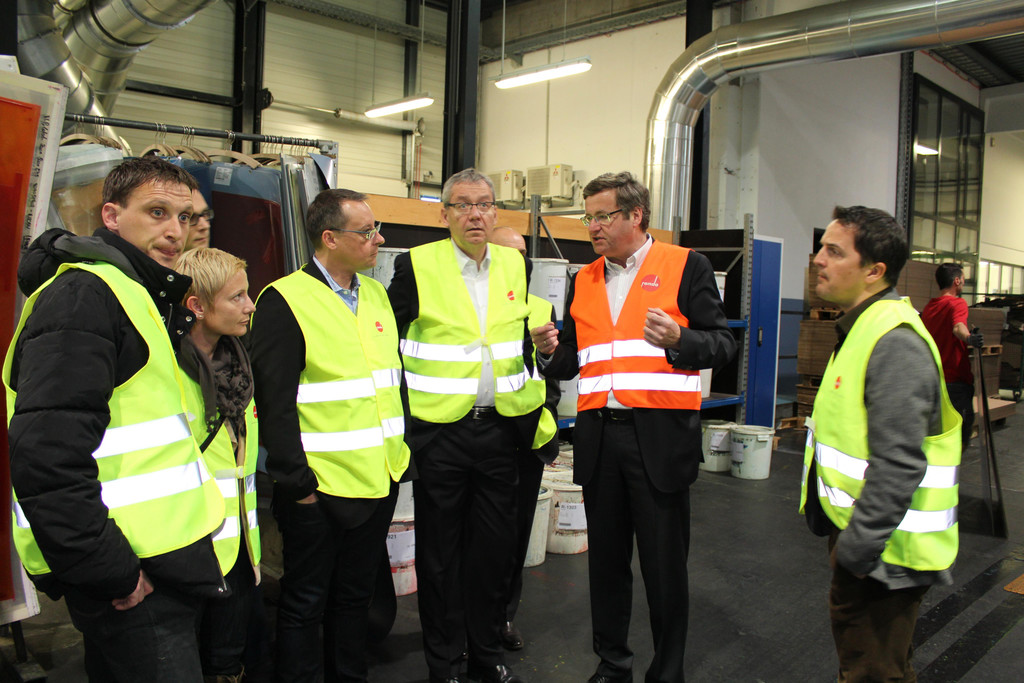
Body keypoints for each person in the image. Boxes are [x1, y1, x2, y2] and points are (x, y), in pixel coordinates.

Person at [3, 157, 226, 681]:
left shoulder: (135, 293)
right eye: (156, 212)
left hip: (155, 564)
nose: (175, 231)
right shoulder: (86, 296)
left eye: (185, 216)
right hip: (131, 577)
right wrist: (109, 571)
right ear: (111, 215)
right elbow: (45, 452)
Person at [530, 171, 735, 683]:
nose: (593, 227)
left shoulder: (686, 265)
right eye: (588, 217)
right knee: (606, 566)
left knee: (664, 568)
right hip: (599, 439)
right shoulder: (584, 278)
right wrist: (549, 352)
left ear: (636, 215)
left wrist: (681, 339)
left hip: (658, 442)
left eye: (603, 216)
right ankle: (612, 663)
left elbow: (722, 344)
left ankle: (667, 671)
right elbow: (573, 360)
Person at [388, 169, 546, 683]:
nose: (475, 214)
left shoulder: (516, 265)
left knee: (493, 553)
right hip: (441, 435)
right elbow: (387, 343)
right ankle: (444, 662)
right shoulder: (416, 265)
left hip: (500, 431)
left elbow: (520, 342)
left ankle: (486, 653)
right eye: (462, 205)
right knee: (440, 557)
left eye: (484, 204)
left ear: (495, 211)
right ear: (445, 214)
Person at [250, 188, 410, 683]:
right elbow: (274, 404)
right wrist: (297, 485)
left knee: (355, 598)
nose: (378, 240)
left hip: (378, 479)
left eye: (377, 229)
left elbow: (390, 383)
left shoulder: (376, 295)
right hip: (318, 490)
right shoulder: (284, 300)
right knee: (305, 601)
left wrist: (400, 459)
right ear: (329, 238)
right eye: (367, 232)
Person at [799, 206, 961, 682]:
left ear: (874, 270)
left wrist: (858, 548)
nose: (818, 260)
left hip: (885, 554)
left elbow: (900, 463)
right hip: (869, 541)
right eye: (821, 248)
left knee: (872, 673)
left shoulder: (893, 342)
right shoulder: (861, 327)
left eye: (834, 251)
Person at [175, 247, 260, 683]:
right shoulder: (166, 372)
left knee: (227, 662)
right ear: (197, 306)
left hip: (238, 548)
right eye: (237, 297)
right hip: (185, 551)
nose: (250, 305)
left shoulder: (240, 365)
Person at [489, 226, 560, 652]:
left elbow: (551, 375)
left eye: (523, 255)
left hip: (526, 443)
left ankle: (503, 617)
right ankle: (467, 623)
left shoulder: (541, 307)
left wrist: (543, 425)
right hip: (482, 440)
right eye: (507, 253)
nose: (518, 263)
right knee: (476, 539)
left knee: (515, 538)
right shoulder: (471, 306)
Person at [921, 263, 983, 451]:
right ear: (957, 281)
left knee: (936, 433)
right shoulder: (957, 303)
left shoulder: (930, 307)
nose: (963, 281)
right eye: (963, 278)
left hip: (932, 380)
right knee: (959, 434)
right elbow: (958, 327)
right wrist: (970, 338)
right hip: (955, 381)